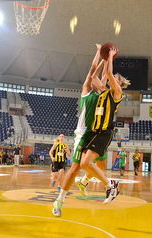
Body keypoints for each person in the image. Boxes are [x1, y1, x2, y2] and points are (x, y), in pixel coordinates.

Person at [52, 44, 117, 217]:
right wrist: (99, 54)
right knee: (75, 168)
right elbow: (92, 72)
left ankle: (88, 182)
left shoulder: (103, 95)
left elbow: (104, 76)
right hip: (83, 134)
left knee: (97, 164)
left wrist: (107, 60)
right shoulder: (87, 93)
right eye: (96, 81)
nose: (97, 81)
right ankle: (60, 200)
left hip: (97, 133)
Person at [79, 47, 130, 204]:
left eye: (115, 78)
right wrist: (102, 59)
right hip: (94, 131)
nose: (112, 78)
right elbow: (93, 76)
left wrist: (109, 56)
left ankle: (110, 186)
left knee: (86, 163)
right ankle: (92, 181)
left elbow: (108, 74)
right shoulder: (103, 91)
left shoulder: (117, 93)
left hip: (104, 132)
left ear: (119, 82)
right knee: (83, 163)